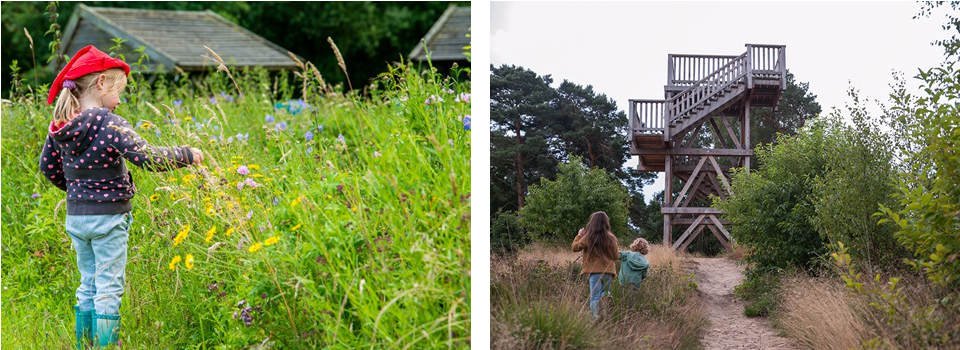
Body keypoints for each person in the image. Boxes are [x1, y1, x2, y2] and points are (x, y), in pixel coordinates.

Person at [40, 45, 204, 349]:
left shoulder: (60, 126)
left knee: (87, 283)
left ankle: (85, 345)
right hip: (109, 217)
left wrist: (78, 193)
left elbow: (48, 168)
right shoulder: (110, 124)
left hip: (77, 217)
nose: (119, 101)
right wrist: (187, 154)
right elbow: (148, 157)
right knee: (108, 286)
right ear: (101, 83)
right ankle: (105, 346)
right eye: (118, 91)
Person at [572, 211, 620, 319]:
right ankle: (606, 306)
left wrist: (579, 235)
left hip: (595, 272)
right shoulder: (611, 238)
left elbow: (575, 248)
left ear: (592, 223)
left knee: (594, 297)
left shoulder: (588, 237)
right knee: (604, 293)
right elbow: (616, 256)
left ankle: (595, 319)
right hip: (609, 272)